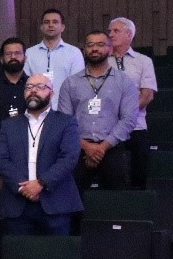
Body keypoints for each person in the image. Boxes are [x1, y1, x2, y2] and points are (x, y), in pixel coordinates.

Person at [0, 74, 83, 235]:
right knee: (19, 258)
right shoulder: (9, 125)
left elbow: (69, 157)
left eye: (40, 87)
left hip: (56, 203)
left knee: (56, 258)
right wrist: (23, 188)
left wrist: (41, 183)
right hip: (17, 205)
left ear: (51, 93)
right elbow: (0, 159)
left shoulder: (66, 122)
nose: (33, 91)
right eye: (28, 87)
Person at [56, 29, 140, 191]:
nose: (95, 49)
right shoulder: (70, 83)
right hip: (78, 150)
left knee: (116, 205)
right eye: (90, 45)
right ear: (84, 50)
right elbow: (64, 120)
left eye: (100, 45)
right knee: (72, 205)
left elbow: (129, 119)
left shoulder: (124, 82)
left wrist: (101, 148)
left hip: (112, 149)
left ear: (109, 49)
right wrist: (86, 147)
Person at [108, 17, 158, 189]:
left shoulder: (143, 61)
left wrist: (126, 115)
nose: (110, 34)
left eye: (116, 31)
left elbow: (147, 95)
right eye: (110, 31)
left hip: (136, 125)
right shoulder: (102, 61)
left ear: (129, 34)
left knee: (139, 174)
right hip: (108, 127)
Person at [24, 7, 84, 85]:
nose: (50, 25)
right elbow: (26, 82)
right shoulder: (29, 53)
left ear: (62, 27)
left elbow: (77, 83)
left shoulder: (74, 53)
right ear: (41, 27)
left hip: (65, 97)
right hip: (36, 97)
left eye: (55, 22)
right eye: (46, 22)